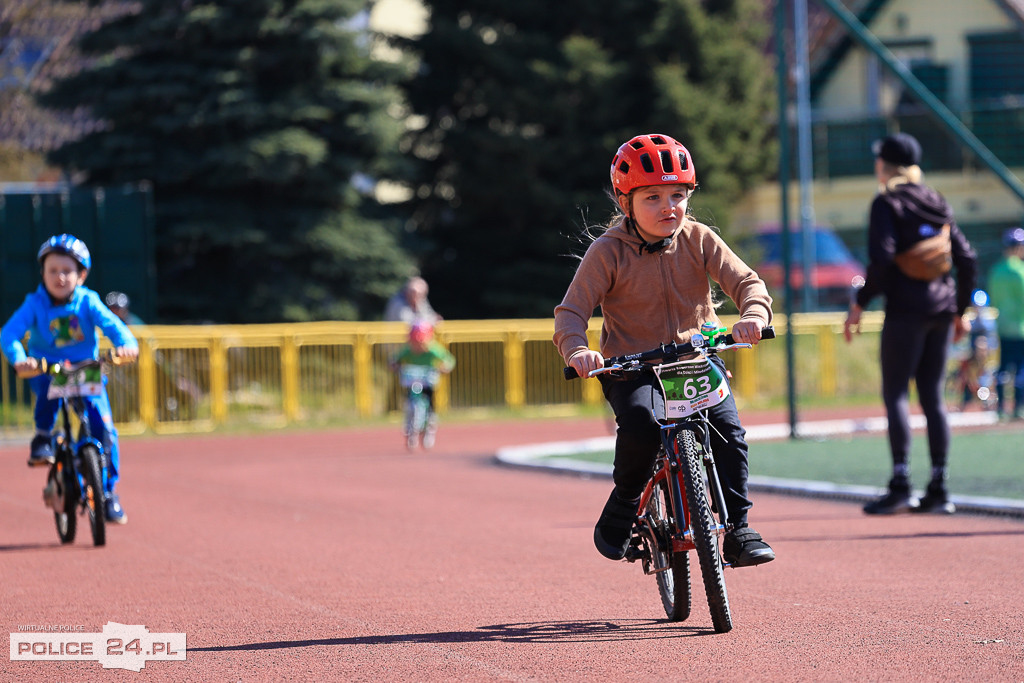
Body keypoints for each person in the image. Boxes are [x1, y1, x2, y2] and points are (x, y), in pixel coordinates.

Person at [553, 133, 776, 567]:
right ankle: (625, 502)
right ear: (625, 202)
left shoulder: (699, 239)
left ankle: (739, 528)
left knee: (729, 434)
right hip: (632, 368)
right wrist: (577, 350)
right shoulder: (607, 252)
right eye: (652, 197)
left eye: (678, 194)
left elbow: (747, 282)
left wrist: (754, 316)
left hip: (696, 359)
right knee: (640, 424)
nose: (668, 207)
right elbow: (571, 312)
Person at [843, 132, 977, 516]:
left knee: (897, 394)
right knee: (933, 397)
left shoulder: (886, 203)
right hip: (940, 310)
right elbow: (966, 258)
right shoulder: (936, 200)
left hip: (905, 312)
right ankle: (939, 487)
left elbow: (882, 260)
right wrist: (960, 311)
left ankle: (901, 483)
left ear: (884, 165)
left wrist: (860, 303)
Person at [1, 234, 139, 524]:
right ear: (43, 273)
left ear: (82, 275)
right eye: (52, 270)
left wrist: (126, 345)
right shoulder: (34, 303)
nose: (59, 277)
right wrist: (19, 358)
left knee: (105, 428)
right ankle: (43, 437)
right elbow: (10, 333)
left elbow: (114, 326)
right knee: (49, 397)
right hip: (47, 369)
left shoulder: (89, 301)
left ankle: (108, 494)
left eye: (67, 271)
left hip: (85, 371)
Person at [391, 321, 455, 449]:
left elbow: (449, 360)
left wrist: (443, 367)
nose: (418, 346)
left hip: (427, 383)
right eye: (415, 342)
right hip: (413, 382)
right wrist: (395, 366)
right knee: (410, 402)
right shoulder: (408, 351)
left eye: (421, 343)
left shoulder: (433, 350)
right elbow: (394, 360)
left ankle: (430, 426)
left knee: (430, 405)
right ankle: (410, 427)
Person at [987, 227, 1024, 420]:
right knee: (1021, 369)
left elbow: (994, 299)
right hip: (1021, 328)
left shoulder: (996, 271)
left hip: (1002, 326)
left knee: (1003, 368)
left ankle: (1001, 407)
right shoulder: (1020, 271)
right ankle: (1019, 407)